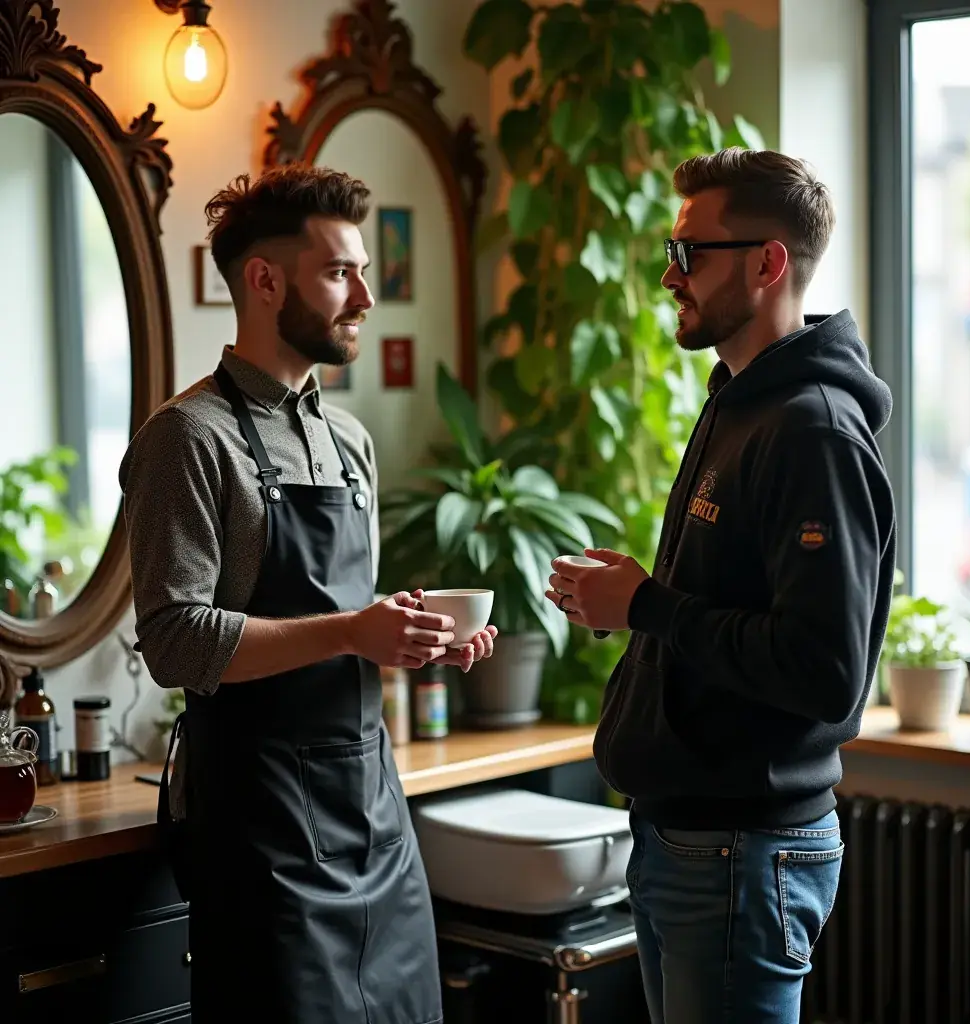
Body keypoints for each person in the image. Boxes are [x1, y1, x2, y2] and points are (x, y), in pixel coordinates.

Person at [120, 165, 496, 1023]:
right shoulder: (186, 439)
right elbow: (176, 639)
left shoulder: (348, 438)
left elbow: (349, 623)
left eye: (362, 270)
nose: (365, 295)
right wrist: (351, 633)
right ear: (263, 280)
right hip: (264, 834)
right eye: (339, 272)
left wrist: (417, 635)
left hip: (374, 812)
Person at [545, 148, 896, 1023]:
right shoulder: (738, 400)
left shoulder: (812, 430)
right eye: (672, 250)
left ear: (768, 262)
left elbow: (823, 669)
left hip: (742, 851)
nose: (672, 276)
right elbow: (727, 608)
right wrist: (629, 604)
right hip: (688, 840)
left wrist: (648, 607)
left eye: (690, 253)